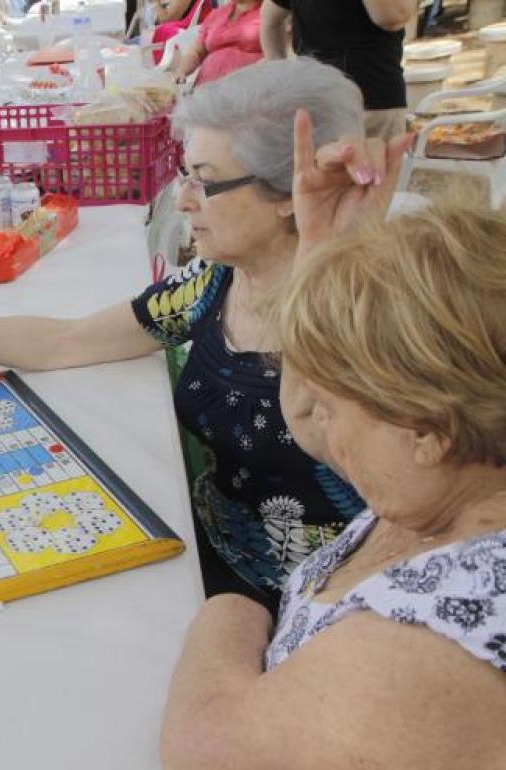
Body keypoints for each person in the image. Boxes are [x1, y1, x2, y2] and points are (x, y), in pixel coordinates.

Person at [0, 59, 373, 614]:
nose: (183, 199)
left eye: (205, 181)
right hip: (206, 564)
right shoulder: (215, 281)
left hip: (314, 609)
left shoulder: (370, 320)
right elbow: (73, 340)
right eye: (185, 174)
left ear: (290, 193)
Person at [159, 127, 504, 769]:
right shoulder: (458, 474)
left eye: (336, 399)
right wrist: (320, 246)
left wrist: (231, 608)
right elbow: (309, 419)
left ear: (426, 430)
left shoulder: (422, 650)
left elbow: (206, 749)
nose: (311, 413)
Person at [261, 0, 414, 139]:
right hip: (368, 96)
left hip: (316, 96)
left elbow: (270, 20)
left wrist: (278, 72)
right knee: (374, 167)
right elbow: (392, 17)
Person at [173, 0, 263, 86]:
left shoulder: (269, 12)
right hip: (207, 88)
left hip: (250, 87)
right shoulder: (217, 14)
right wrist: (182, 71)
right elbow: (196, 52)